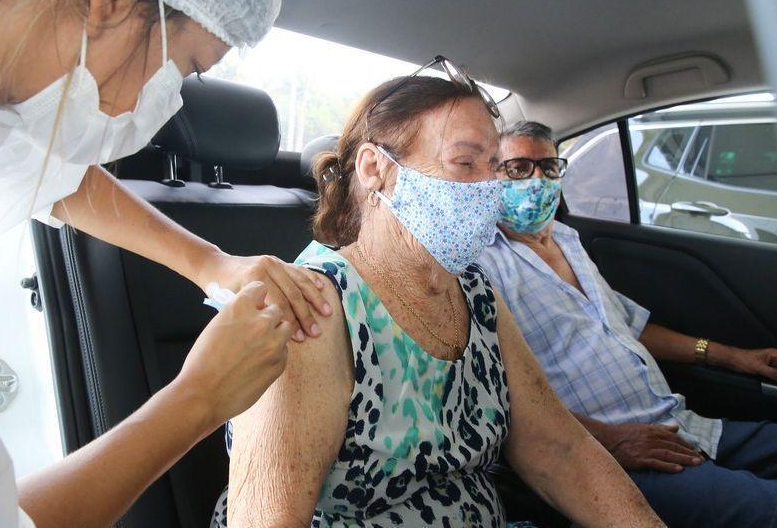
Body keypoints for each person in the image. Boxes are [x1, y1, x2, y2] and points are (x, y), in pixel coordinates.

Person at [0, 0, 333, 527]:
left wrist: (210, 263)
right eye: (185, 66)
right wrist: (200, 398)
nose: (166, 102)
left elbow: (49, 168)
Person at [213, 65, 665, 527]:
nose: (489, 188)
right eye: (465, 163)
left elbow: (558, 447)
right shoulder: (312, 310)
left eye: (494, 167)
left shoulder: (477, 294)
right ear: (375, 169)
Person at [479, 120, 777, 528]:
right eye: (519, 169)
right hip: (613, 456)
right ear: (491, 176)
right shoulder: (484, 267)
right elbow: (503, 403)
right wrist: (613, 440)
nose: (537, 181)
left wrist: (735, 358)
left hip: (685, 425)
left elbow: (629, 326)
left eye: (549, 167)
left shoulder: (568, 240)